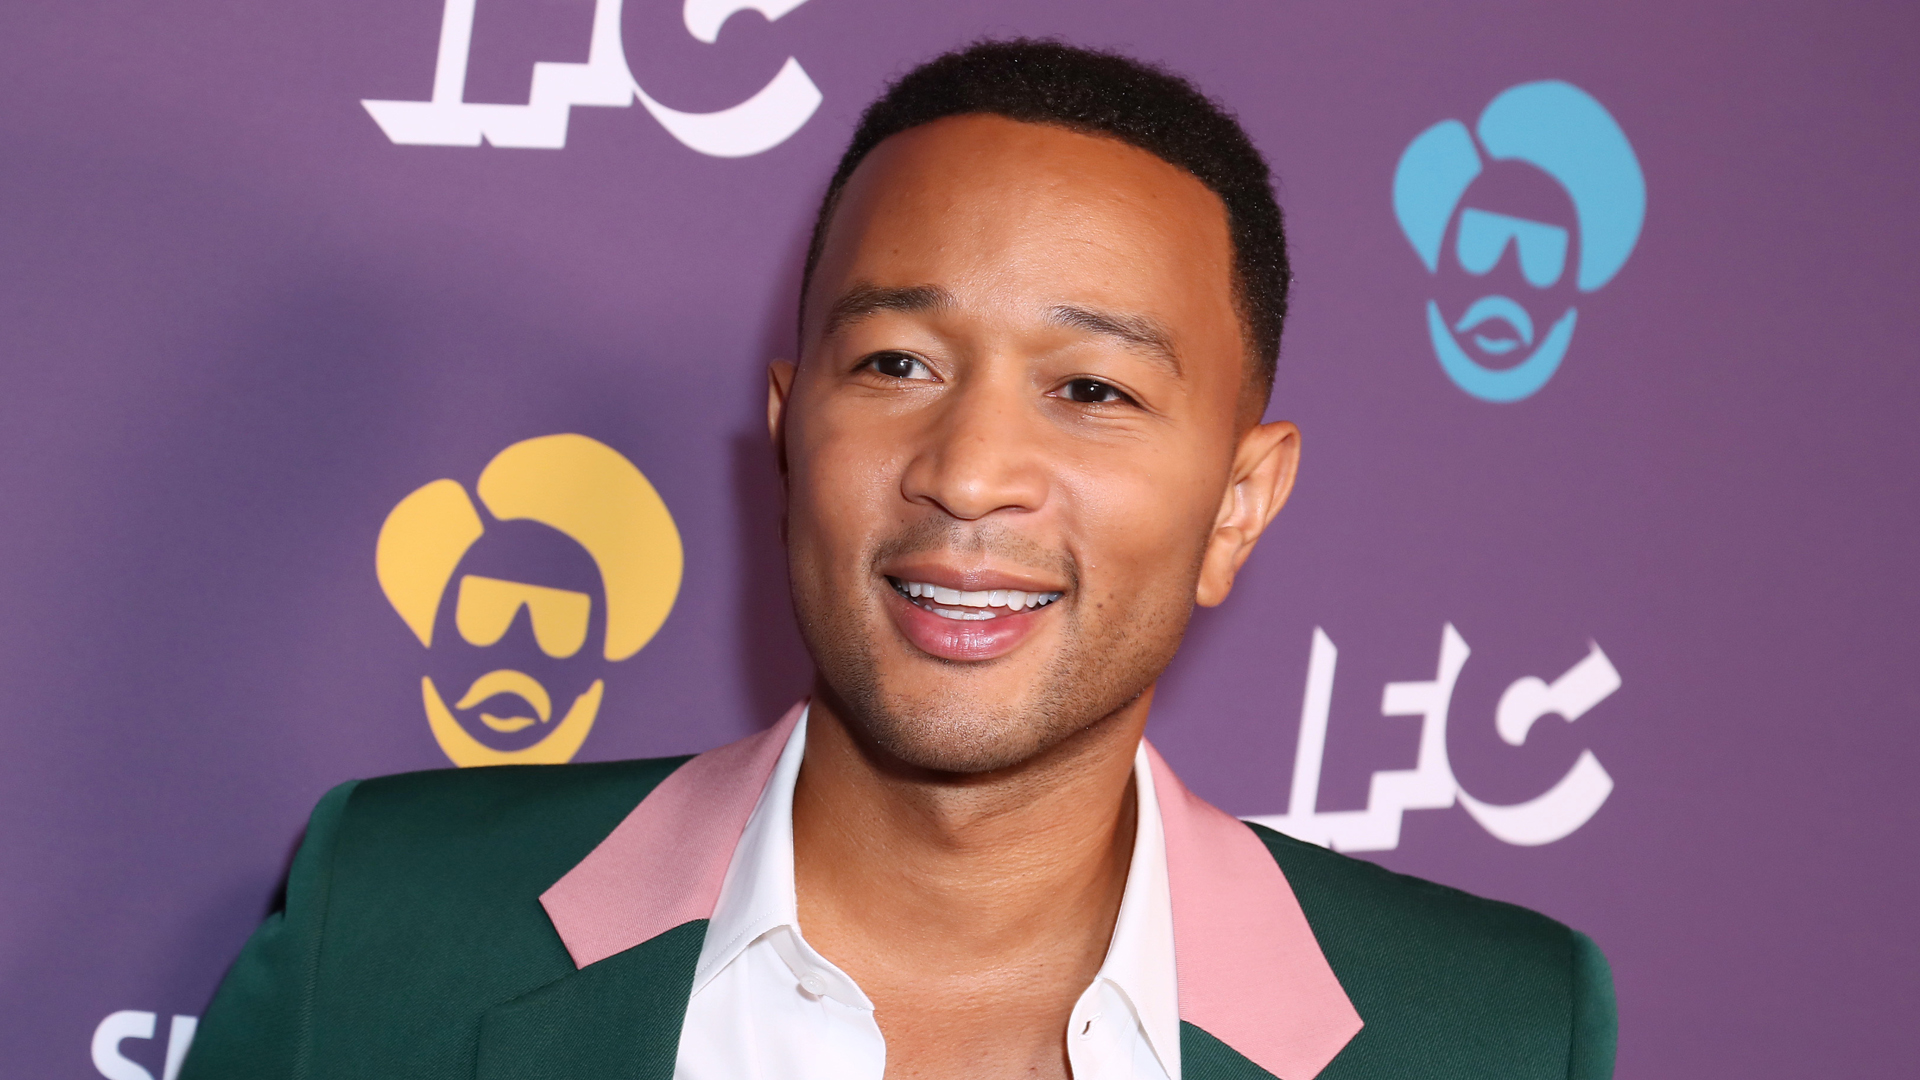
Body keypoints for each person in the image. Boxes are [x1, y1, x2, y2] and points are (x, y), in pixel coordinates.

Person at [180, 39, 1616, 1080]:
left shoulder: (1484, 1032)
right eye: (897, 362)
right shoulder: (387, 927)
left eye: (1092, 390)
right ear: (793, 434)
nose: (969, 471)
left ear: (1240, 502)